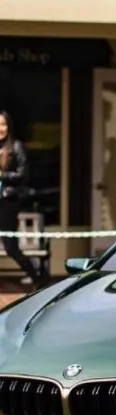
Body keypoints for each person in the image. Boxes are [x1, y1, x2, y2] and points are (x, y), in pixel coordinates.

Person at [0, 111, 40, 288]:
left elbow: (23, 174)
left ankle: (37, 276)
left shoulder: (16, 146)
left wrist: (3, 175)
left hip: (7, 201)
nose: (0, 129)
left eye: (3, 124)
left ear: (9, 127)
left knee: (11, 247)